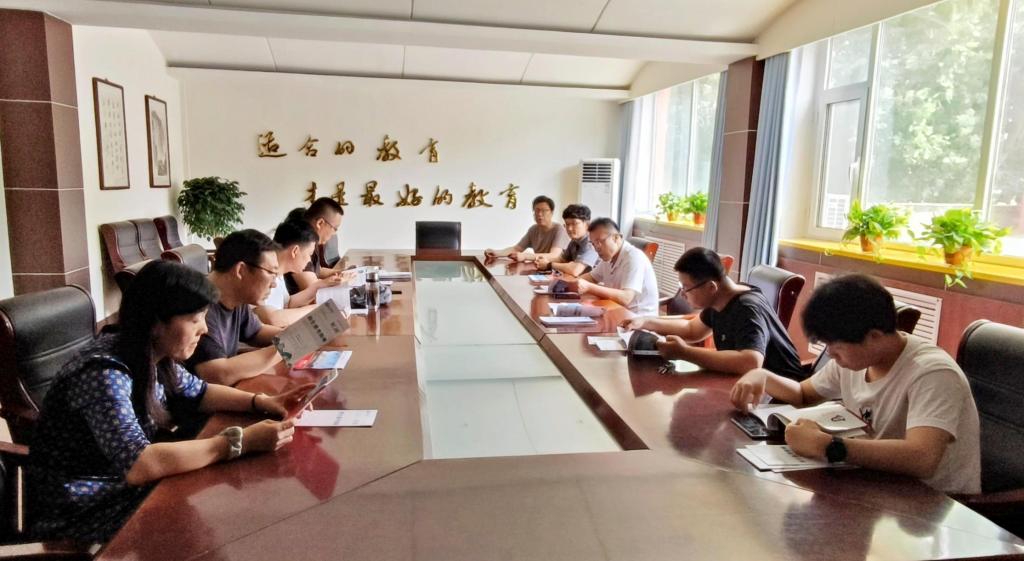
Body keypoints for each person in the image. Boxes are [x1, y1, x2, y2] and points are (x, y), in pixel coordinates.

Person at [27, 261, 313, 543]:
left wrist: (262, 401)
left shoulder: (151, 354)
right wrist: (239, 442)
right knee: (233, 516)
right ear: (155, 322)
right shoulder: (105, 373)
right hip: (86, 507)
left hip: (128, 488)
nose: (204, 329)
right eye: (194, 320)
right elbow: (140, 464)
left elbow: (200, 392)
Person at [729, 274, 981, 494]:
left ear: (874, 336)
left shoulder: (932, 373)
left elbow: (922, 458)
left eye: (836, 346)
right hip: (875, 483)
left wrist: (829, 446)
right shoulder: (855, 362)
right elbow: (803, 394)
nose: (831, 354)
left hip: (933, 504)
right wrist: (763, 376)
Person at [620, 247, 804, 379]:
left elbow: (750, 362)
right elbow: (692, 329)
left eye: (686, 288)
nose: (682, 294)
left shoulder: (747, 307)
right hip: (745, 384)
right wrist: (645, 322)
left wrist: (685, 353)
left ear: (711, 287)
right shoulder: (720, 298)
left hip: (779, 396)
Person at [185, 229, 286, 385]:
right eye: (271, 273)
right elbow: (218, 374)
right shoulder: (198, 305)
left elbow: (257, 332)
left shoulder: (235, 297)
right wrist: (289, 345)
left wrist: (303, 334)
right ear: (241, 270)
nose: (274, 284)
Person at [255, 219, 342, 327]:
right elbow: (273, 318)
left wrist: (319, 285)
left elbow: (287, 303)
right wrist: (318, 309)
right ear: (295, 251)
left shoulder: (279, 275)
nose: (309, 261)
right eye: (309, 255)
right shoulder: (261, 275)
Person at [564, 218, 659, 315]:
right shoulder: (609, 257)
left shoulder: (634, 257)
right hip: (617, 310)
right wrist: (567, 284)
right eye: (593, 244)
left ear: (616, 238)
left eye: (600, 241)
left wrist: (589, 287)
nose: (597, 248)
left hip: (638, 318)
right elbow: (591, 277)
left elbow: (626, 298)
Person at [285, 197, 347, 294]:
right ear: (320, 223)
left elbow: (317, 270)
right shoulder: (300, 240)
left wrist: (342, 272)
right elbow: (312, 288)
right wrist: (342, 281)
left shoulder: (312, 239)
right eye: (335, 228)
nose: (334, 234)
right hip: (299, 300)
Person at [484, 195, 570, 262]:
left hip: (558, 272)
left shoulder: (559, 229)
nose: (540, 214)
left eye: (544, 210)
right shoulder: (533, 229)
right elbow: (516, 249)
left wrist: (525, 256)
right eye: (537, 210)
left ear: (551, 212)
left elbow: (554, 255)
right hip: (541, 269)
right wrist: (497, 253)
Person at [534, 204, 600, 276]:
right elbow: (562, 259)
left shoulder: (592, 243)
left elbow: (575, 270)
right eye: (567, 224)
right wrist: (543, 260)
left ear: (587, 225)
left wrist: (549, 264)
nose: (569, 229)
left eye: (574, 224)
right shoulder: (574, 241)